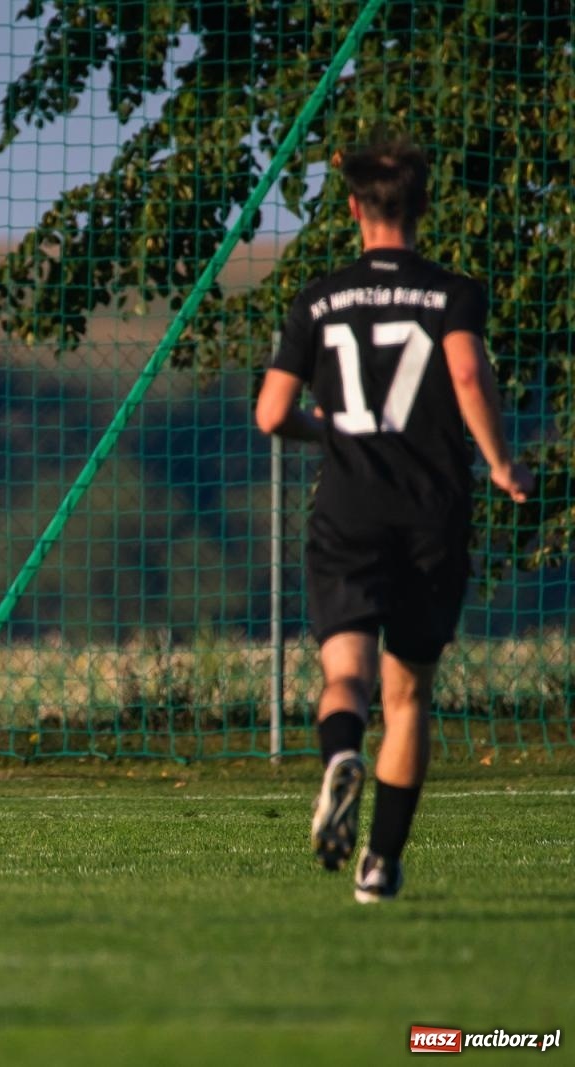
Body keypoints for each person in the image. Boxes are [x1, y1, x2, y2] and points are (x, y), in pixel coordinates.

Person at [255, 139, 532, 902]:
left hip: (346, 510)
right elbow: (469, 371)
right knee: (408, 694)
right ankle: (379, 865)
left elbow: (271, 413)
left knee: (346, 672)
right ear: (422, 206)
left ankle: (338, 754)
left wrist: (327, 429)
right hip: (430, 514)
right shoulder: (453, 294)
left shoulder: (318, 298)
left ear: (352, 209)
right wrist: (503, 463)